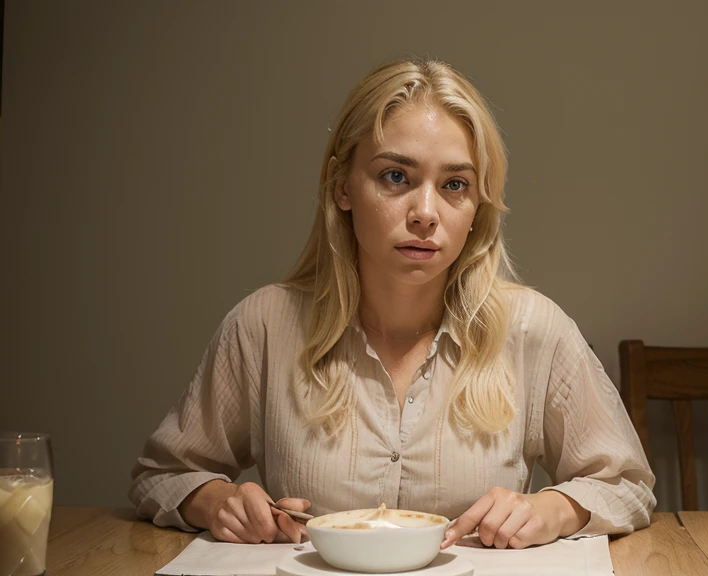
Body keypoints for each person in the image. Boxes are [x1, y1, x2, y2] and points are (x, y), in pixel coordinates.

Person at [129, 59, 655, 550]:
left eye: (454, 185)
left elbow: (628, 485)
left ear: (476, 207)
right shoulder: (263, 325)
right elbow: (162, 475)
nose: (425, 213)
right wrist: (218, 501)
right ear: (342, 187)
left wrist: (556, 509)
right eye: (396, 177)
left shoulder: (534, 330)